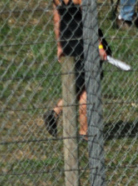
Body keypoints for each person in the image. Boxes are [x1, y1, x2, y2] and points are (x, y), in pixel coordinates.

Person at [44, 0, 109, 139]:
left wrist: (60, 45)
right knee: (86, 86)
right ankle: (59, 114)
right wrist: (100, 47)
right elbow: (89, 22)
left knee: (81, 84)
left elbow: (57, 20)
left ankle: (81, 128)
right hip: (85, 42)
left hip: (68, 40)